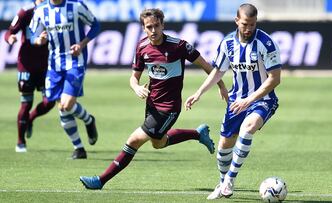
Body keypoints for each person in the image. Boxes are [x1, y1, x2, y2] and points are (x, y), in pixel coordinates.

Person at [79, 8, 228, 190]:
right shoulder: (142, 47)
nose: (153, 30)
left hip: (169, 107)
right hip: (152, 104)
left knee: (134, 140)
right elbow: (134, 77)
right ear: (143, 28)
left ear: (162, 25)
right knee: (158, 143)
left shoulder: (178, 46)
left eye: (156, 26)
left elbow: (206, 66)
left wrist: (221, 86)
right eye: (149, 27)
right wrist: (136, 87)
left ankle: (100, 180)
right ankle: (197, 134)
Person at [184, 3, 282, 199]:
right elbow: (218, 71)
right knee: (223, 147)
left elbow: (275, 78)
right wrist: (199, 92)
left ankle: (230, 178)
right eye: (245, 24)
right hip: (236, 100)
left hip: (263, 99)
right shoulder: (228, 43)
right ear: (237, 21)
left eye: (252, 24)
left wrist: (249, 100)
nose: (248, 29)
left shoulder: (266, 43)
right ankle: (222, 183)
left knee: (248, 128)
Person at [29, 0, 100, 159]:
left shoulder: (76, 6)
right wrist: (39, 40)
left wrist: (81, 44)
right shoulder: (41, 10)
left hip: (75, 62)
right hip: (54, 65)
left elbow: (95, 25)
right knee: (62, 107)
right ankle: (79, 148)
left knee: (67, 104)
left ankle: (88, 121)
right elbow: (32, 33)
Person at [4, 0, 56, 153]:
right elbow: (9, 32)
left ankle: (31, 119)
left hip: (47, 65)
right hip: (26, 64)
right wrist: (10, 39)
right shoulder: (25, 12)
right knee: (26, 103)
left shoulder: (54, 10)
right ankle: (21, 141)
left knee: (50, 101)